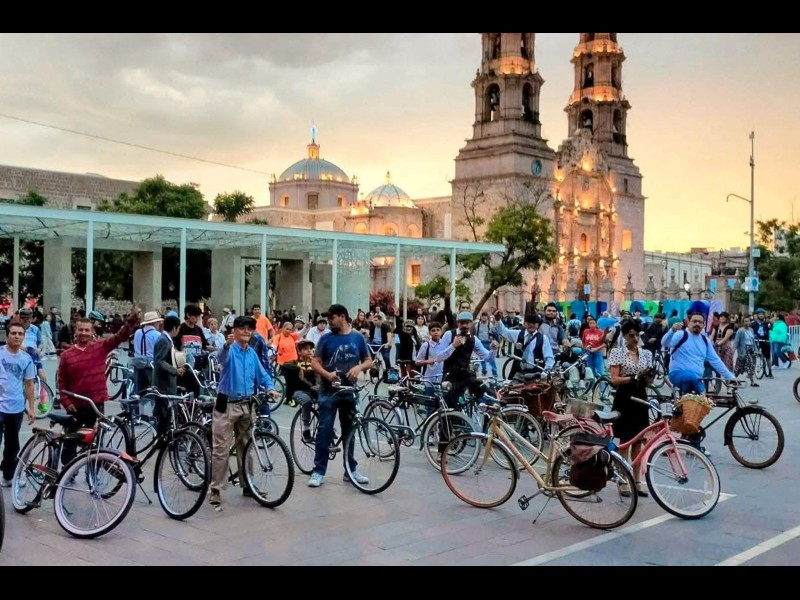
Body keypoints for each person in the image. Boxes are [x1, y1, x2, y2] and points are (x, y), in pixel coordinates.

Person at [209, 316, 280, 508]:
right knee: (221, 449)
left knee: (247, 447)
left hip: (247, 405)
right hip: (226, 404)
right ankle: (215, 488)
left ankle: (248, 484)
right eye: (242, 328)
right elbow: (220, 358)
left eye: (250, 328)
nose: (247, 331)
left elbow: (262, 375)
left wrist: (270, 388)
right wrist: (225, 345)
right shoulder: (229, 350)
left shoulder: (252, 354)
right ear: (234, 331)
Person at [57, 309, 141, 466]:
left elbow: (119, 337)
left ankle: (92, 473)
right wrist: (66, 402)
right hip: (75, 407)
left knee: (95, 445)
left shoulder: (100, 347)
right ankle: (68, 472)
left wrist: (130, 322)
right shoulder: (66, 355)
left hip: (95, 405)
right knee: (70, 444)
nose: (83, 333)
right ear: (75, 331)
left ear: (92, 332)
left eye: (86, 330)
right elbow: (61, 383)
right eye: (80, 330)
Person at [308, 304, 373, 489]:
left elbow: (368, 360)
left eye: (332, 318)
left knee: (349, 432)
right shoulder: (326, 339)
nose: (329, 321)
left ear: (342, 317)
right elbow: (315, 362)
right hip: (328, 391)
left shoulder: (357, 338)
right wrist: (327, 374)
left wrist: (359, 368)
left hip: (349, 391)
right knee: (324, 431)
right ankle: (319, 471)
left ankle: (350, 470)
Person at [432, 312, 495, 452]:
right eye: (462, 322)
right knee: (448, 412)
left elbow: (487, 357)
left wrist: (493, 350)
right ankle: (442, 450)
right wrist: (453, 346)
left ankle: (486, 431)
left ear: (471, 324)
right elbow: (438, 357)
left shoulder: (473, 339)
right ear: (458, 323)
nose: (464, 325)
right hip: (451, 377)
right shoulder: (449, 335)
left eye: (467, 323)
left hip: (466, 375)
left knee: (490, 396)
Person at [607, 320, 653, 497]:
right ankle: (622, 479)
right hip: (624, 397)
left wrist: (648, 377)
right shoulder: (618, 353)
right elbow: (614, 379)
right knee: (625, 441)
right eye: (630, 335)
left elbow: (648, 381)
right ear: (624, 336)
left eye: (636, 335)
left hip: (640, 396)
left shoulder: (646, 354)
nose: (634, 338)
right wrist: (632, 378)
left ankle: (637, 480)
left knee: (638, 440)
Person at [0, 322, 37, 487]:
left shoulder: (26, 359)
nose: (16, 336)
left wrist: (32, 408)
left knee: (12, 444)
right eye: (13, 333)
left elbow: (29, 384)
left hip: (16, 407)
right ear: (7, 335)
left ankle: (8, 476)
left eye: (20, 334)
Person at [494, 313, 555, 380]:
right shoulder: (518, 334)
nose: (531, 325)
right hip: (519, 374)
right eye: (529, 323)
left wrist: (545, 372)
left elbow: (549, 358)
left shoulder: (543, 338)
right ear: (525, 323)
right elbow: (504, 332)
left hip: (536, 375)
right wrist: (498, 320)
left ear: (537, 324)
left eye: (534, 323)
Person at [282, 340, 317, 434]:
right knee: (307, 401)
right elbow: (285, 365)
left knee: (328, 401)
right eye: (306, 349)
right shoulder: (294, 363)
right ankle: (306, 429)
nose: (309, 351)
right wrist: (299, 368)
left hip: (313, 390)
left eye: (311, 349)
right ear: (299, 352)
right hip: (298, 391)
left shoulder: (315, 363)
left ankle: (327, 426)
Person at [131, 311, 164, 395]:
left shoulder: (137, 333)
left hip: (138, 364)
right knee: (152, 390)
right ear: (154, 323)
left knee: (139, 389)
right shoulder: (157, 335)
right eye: (158, 322)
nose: (159, 324)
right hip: (151, 366)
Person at [734, 315, 758, 387]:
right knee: (745, 366)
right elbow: (736, 342)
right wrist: (733, 350)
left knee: (746, 366)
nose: (746, 323)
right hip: (744, 351)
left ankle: (751, 382)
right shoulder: (740, 331)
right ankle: (752, 382)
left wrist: (756, 349)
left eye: (748, 321)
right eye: (745, 321)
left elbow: (753, 341)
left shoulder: (751, 330)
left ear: (750, 322)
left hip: (751, 350)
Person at [474, 312, 498, 379]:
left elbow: (495, 334)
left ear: (487, 317)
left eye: (485, 316)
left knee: (492, 358)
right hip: (481, 343)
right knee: (482, 358)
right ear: (480, 317)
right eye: (483, 316)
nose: (484, 317)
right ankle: (484, 370)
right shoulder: (477, 325)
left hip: (489, 343)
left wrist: (495, 341)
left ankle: (494, 372)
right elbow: (475, 334)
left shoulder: (490, 325)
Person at [751, 308, 773, 379]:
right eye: (759, 314)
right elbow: (750, 332)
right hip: (756, 341)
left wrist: (770, 326)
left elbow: (771, 329)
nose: (761, 315)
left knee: (768, 357)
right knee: (753, 356)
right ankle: (751, 371)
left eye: (762, 314)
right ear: (757, 315)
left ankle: (770, 372)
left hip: (765, 341)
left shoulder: (767, 323)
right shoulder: (753, 324)